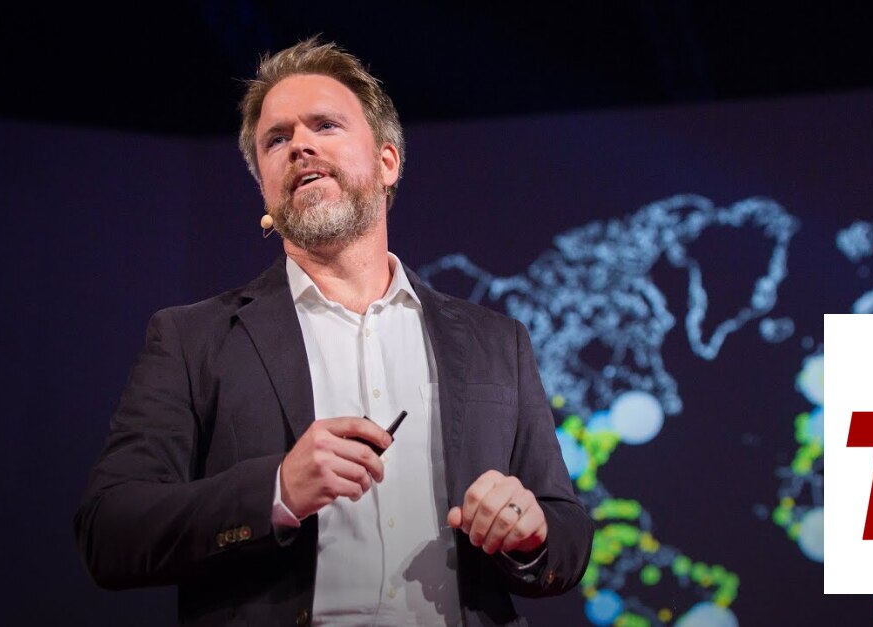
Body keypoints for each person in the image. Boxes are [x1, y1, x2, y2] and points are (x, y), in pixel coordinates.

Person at [74, 37, 593, 626]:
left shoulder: (495, 342)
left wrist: (530, 531)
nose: (300, 145)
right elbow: (109, 531)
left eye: (325, 125)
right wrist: (277, 489)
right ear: (265, 188)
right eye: (277, 139)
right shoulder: (193, 340)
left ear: (387, 162)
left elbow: (567, 532)